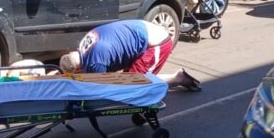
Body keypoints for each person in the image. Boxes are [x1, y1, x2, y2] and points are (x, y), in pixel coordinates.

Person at [59, 19, 201, 90]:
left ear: (77, 68)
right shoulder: (84, 43)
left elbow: (102, 86)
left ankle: (178, 79)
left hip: (156, 43)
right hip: (140, 31)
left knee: (136, 83)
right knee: (127, 78)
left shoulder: (96, 62)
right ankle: (178, 78)